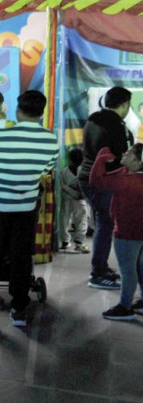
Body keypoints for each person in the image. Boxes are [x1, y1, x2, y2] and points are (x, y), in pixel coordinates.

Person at [0, 90, 59, 328]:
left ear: (17, 110)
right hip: (25, 209)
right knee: (21, 257)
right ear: (42, 112)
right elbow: (45, 169)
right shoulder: (51, 140)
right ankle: (19, 310)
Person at [78, 86, 134, 290]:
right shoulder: (116, 125)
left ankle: (101, 268)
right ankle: (98, 273)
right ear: (125, 104)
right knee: (105, 224)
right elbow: (120, 157)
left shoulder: (94, 119)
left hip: (87, 177)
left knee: (104, 223)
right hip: (102, 180)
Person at [91, 144, 143, 321]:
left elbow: (96, 180)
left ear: (137, 161)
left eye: (128, 153)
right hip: (139, 231)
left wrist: (101, 158)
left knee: (128, 271)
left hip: (127, 232)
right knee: (140, 267)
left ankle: (125, 307)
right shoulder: (130, 176)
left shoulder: (128, 180)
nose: (123, 152)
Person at [58, 146, 89, 253]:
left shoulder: (64, 171)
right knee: (81, 221)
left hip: (67, 199)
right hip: (80, 200)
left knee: (65, 220)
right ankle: (79, 243)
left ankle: (65, 242)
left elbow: (62, 186)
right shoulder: (84, 171)